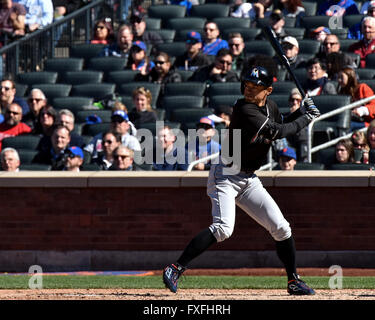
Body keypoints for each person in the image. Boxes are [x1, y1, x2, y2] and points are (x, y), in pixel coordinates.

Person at [162, 65, 320, 295]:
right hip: (225, 175)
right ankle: (175, 268)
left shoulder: (271, 106)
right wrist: (307, 118)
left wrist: (303, 111)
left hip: (248, 178)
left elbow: (283, 121)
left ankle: (293, 280)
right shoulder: (244, 108)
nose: (249, 90)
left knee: (282, 228)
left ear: (268, 90)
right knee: (224, 229)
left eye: (255, 87)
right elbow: (277, 132)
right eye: (247, 85)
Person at [284, 88, 308, 162]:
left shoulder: (307, 116)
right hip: (286, 146)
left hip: (301, 146)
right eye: (292, 100)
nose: (295, 102)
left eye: (298, 100)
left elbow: (301, 137)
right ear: (289, 102)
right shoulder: (284, 117)